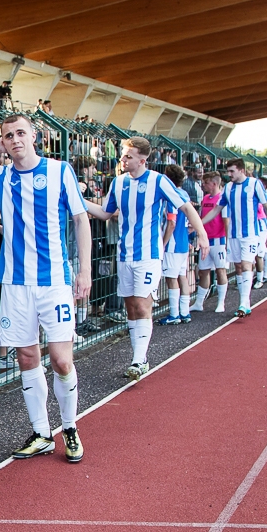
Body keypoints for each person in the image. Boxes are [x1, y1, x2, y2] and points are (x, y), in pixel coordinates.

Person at [0, 114, 92, 463]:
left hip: (54, 281)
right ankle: (42, 433)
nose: (14, 139)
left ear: (34, 136)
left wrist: (84, 270)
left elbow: (80, 219)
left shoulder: (59, 170)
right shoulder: (2, 175)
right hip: (15, 283)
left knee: (61, 360)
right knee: (27, 357)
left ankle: (70, 427)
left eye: (20, 133)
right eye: (8, 136)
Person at [85, 137, 209, 381]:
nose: (122, 159)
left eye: (128, 156)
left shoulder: (158, 181)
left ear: (142, 160)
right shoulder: (118, 182)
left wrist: (202, 234)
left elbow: (186, 207)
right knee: (131, 307)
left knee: (143, 305)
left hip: (148, 255)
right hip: (124, 255)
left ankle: (139, 359)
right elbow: (105, 213)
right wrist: (78, 200)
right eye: (123, 155)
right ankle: (137, 357)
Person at [200, 159, 267, 317]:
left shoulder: (254, 184)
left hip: (250, 234)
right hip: (234, 235)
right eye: (228, 171)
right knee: (239, 266)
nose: (229, 174)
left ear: (241, 170)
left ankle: (243, 303)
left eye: (232, 171)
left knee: (247, 265)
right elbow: (217, 209)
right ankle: (245, 303)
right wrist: (199, 223)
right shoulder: (228, 187)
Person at [158, 165, 194, 325]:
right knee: (182, 276)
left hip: (172, 244)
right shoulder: (184, 194)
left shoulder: (171, 196)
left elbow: (171, 222)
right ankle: (185, 312)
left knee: (171, 279)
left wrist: (163, 244)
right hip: (183, 242)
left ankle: (174, 314)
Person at [189, 171, 229, 313]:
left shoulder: (222, 199)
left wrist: (227, 242)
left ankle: (221, 302)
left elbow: (226, 221)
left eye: (206, 183)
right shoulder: (205, 198)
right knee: (203, 271)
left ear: (214, 184)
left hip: (219, 240)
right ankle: (199, 303)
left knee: (220, 270)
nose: (204, 185)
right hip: (206, 240)